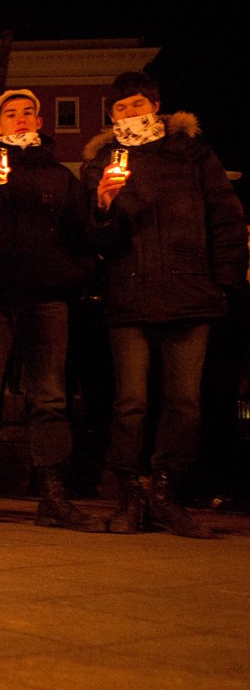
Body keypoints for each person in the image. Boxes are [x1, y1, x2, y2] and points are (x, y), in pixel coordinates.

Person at [81, 71, 247, 538]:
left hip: (191, 293)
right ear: (111, 115)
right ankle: (130, 497)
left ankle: (167, 495)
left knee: (185, 402)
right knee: (130, 402)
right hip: (129, 294)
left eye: (138, 105)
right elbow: (96, 241)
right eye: (121, 108)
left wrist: (226, 285)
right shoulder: (100, 164)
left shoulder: (194, 154)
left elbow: (227, 220)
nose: (131, 114)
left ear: (156, 105)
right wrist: (103, 208)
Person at [0, 89, 105, 531]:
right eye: (9, 114)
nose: (19, 119)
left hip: (47, 299)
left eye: (27, 113)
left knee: (50, 400)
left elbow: (83, 235)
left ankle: (52, 496)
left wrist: (73, 273)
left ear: (37, 122)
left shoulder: (60, 177)